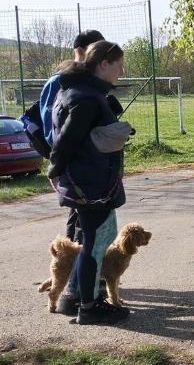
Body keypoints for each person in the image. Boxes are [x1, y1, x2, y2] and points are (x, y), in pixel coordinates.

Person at [48, 40, 131, 324]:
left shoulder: (78, 91)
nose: (121, 72)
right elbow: (67, 140)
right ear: (103, 64)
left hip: (90, 180)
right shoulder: (85, 98)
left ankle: (86, 300)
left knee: (97, 240)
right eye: (118, 66)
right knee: (95, 245)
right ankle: (88, 306)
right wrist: (54, 170)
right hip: (89, 184)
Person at [41, 30, 106, 316]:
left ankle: (80, 281)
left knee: (82, 224)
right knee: (78, 225)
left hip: (80, 165)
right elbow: (53, 128)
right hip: (70, 166)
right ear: (80, 50)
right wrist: (59, 162)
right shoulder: (59, 83)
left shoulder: (87, 82)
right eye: (93, 51)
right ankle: (74, 288)